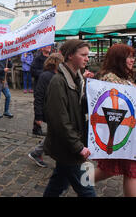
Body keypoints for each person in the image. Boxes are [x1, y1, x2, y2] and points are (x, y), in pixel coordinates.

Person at [43, 39, 96, 197]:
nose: (87, 58)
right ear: (70, 56)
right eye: (83, 55)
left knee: (58, 183)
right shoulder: (58, 82)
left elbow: (79, 109)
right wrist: (78, 147)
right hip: (69, 147)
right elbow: (60, 120)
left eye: (88, 55)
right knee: (88, 191)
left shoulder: (78, 79)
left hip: (69, 145)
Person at [94, 43, 136, 197]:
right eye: (129, 56)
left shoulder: (123, 77)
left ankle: (81, 180)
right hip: (122, 134)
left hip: (127, 134)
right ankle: (80, 181)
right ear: (119, 58)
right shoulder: (110, 79)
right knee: (132, 171)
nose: (132, 59)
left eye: (133, 56)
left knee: (116, 170)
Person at [28, 53, 64, 167]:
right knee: (56, 134)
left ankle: (42, 152)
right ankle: (37, 152)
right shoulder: (45, 76)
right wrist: (38, 116)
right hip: (49, 111)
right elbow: (38, 96)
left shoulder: (59, 75)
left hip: (57, 109)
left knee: (56, 134)